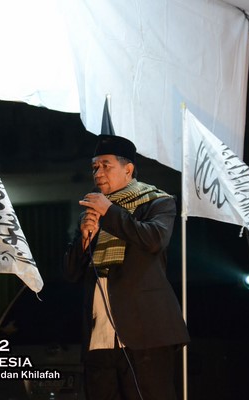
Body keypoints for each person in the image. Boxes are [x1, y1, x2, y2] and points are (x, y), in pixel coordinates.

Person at [63, 134, 190, 400]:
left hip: (145, 332)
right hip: (100, 333)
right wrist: (85, 239)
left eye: (105, 165)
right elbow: (71, 272)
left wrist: (110, 211)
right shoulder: (93, 210)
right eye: (94, 167)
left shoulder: (158, 202)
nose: (98, 173)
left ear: (128, 169)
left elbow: (154, 239)